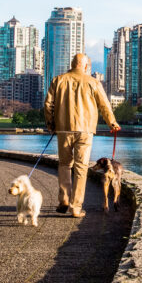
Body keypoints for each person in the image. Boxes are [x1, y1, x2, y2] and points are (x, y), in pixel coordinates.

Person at [43, 53, 120, 218]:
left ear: (72, 65)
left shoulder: (58, 80)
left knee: (64, 165)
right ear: (85, 66)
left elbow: (48, 104)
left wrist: (51, 124)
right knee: (81, 168)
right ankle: (75, 207)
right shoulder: (93, 82)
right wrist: (112, 123)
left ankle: (63, 199)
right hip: (85, 130)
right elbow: (104, 105)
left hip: (63, 129)